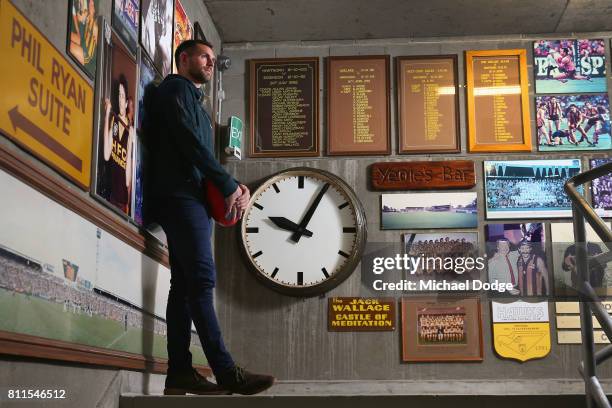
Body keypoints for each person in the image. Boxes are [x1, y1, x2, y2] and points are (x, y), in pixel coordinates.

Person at [147, 39, 274, 395]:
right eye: (205, 56)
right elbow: (189, 142)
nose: (210, 62)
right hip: (180, 198)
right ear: (183, 58)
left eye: (213, 59)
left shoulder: (198, 104)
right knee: (201, 280)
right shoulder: (176, 87)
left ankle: (179, 373)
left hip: (193, 200)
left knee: (185, 287)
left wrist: (235, 186)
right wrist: (226, 182)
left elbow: (204, 156)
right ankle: (226, 371)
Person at [103, 74, 134, 214]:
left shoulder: (130, 130)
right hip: (110, 192)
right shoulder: (114, 121)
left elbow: (128, 166)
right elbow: (106, 154)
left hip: (122, 199)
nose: (121, 100)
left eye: (123, 96)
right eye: (119, 95)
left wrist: (128, 199)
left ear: (127, 103)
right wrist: (107, 114)